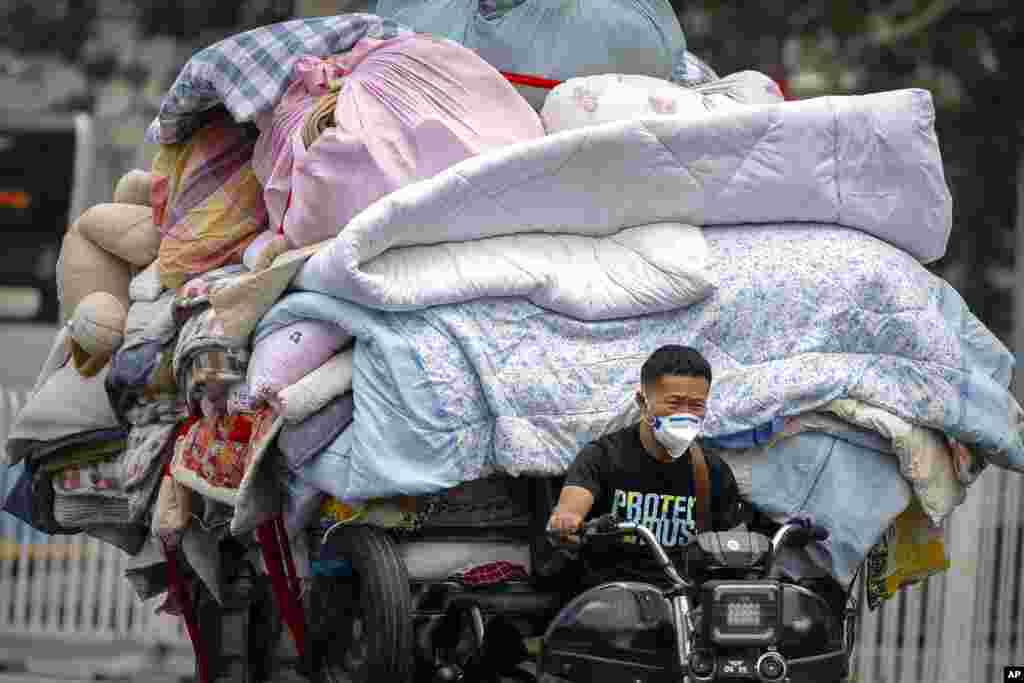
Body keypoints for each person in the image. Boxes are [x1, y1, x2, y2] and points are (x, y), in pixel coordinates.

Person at [546, 344, 754, 585]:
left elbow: (736, 547)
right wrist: (566, 521)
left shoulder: (712, 470)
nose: (685, 415)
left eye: (696, 405)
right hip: (613, 597)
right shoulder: (603, 456)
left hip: (684, 599)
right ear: (643, 403)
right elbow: (570, 508)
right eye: (674, 403)